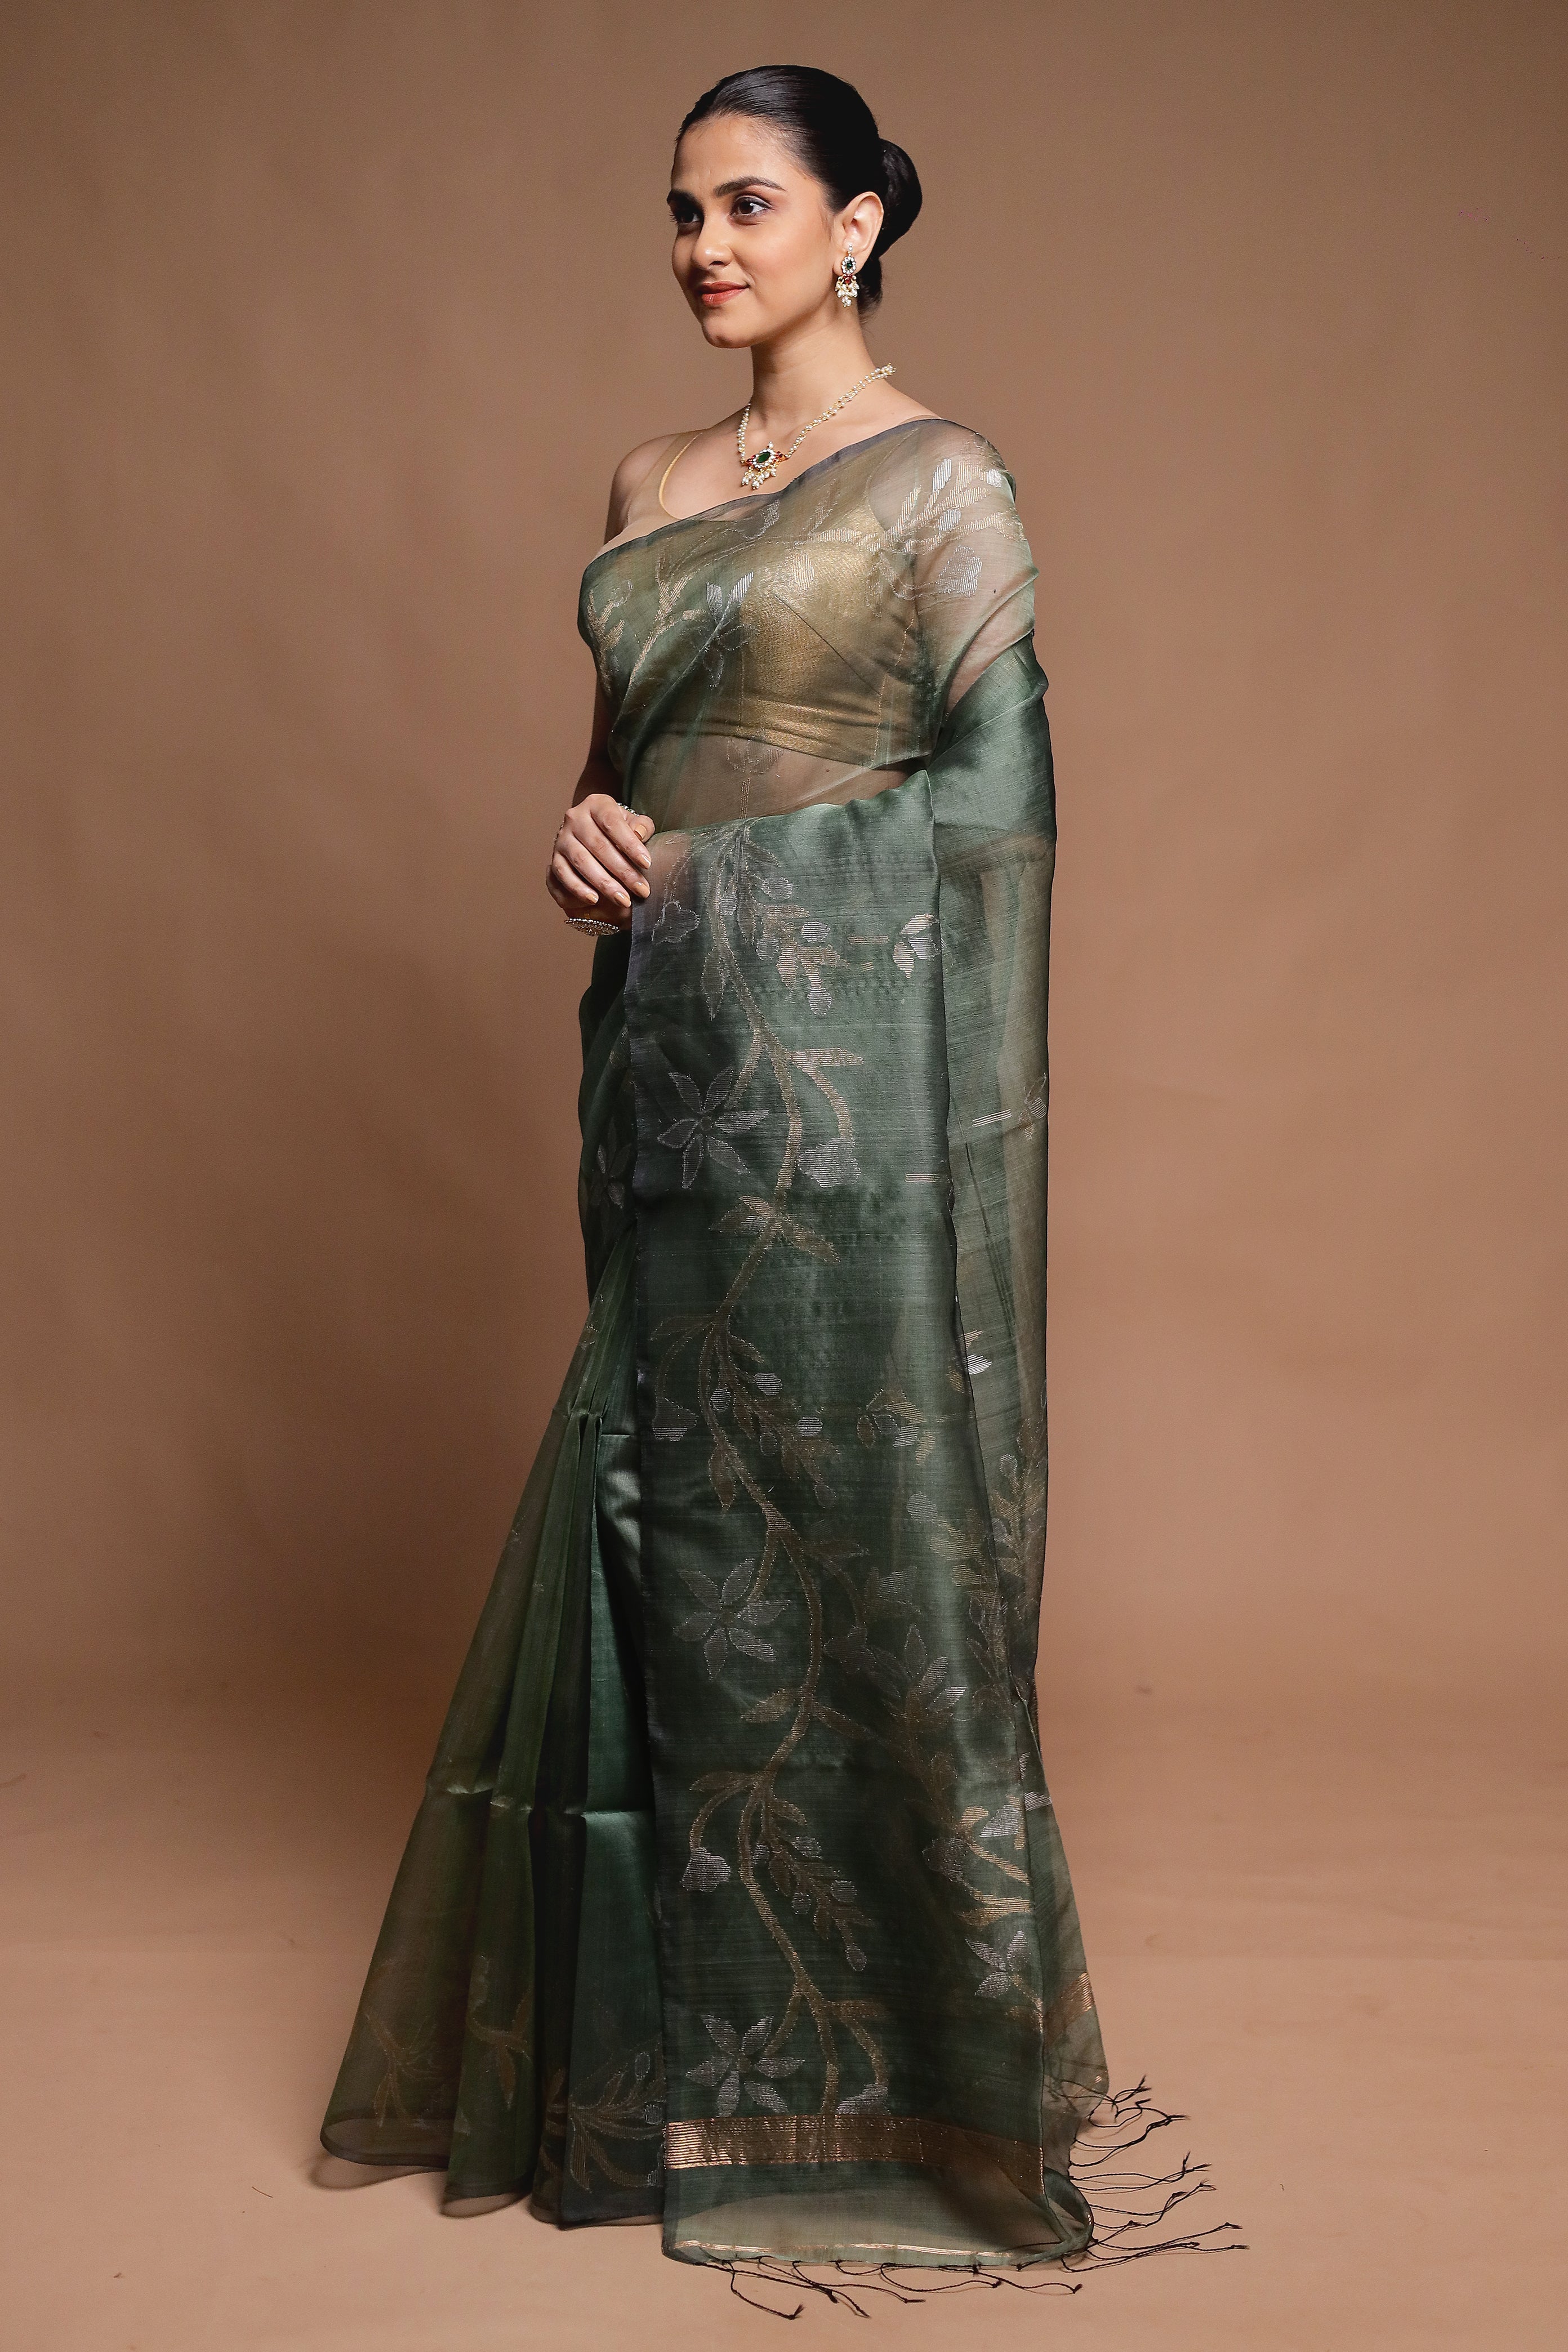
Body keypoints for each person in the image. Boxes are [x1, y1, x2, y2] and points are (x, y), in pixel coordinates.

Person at [321, 63, 1217, 2285]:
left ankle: (912, 2079)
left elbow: (995, 811)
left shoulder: (946, 481)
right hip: (676, 1084)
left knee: (864, 1532)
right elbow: (624, 788)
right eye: (681, 211)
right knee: (666, 1514)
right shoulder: (647, 483)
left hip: (860, 1112)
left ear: (856, 228)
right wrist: (590, 847)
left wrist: (729, 882)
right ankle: (656, 2083)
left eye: (747, 205)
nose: (703, 246)